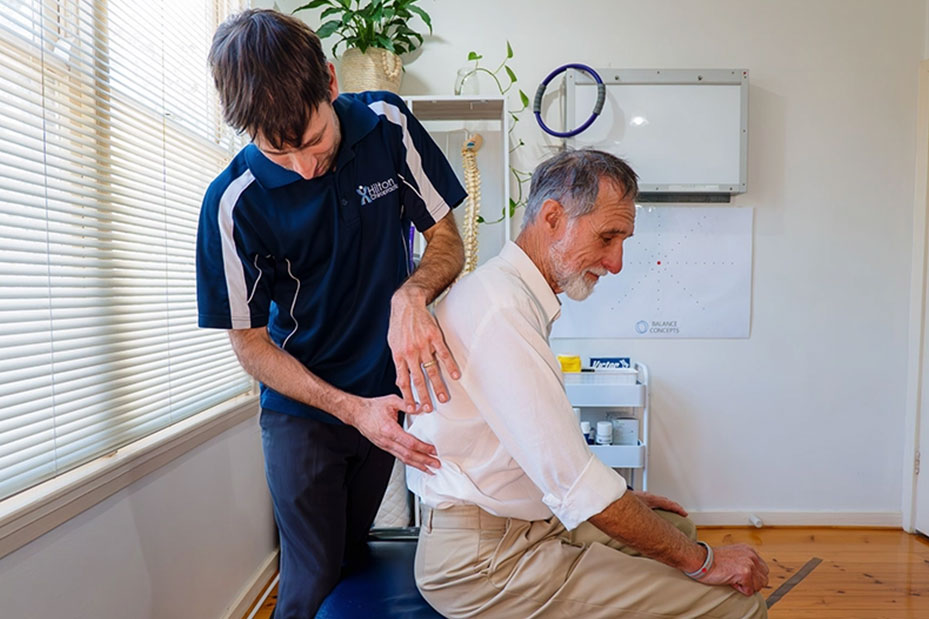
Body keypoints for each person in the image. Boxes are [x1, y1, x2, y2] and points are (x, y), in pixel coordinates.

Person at [406, 149, 769, 618]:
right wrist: (708, 564)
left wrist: (626, 504)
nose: (616, 262)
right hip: (484, 561)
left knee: (677, 528)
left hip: (525, 520)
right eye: (607, 237)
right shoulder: (501, 310)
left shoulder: (512, 295)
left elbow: (543, 461)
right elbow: (577, 486)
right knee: (735, 606)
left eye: (623, 241)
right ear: (552, 217)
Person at [196, 9, 466, 617]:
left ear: (330, 81)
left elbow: (447, 240)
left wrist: (412, 293)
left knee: (353, 561)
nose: (305, 167)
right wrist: (349, 410)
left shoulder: (387, 124)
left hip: (386, 392)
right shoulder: (232, 203)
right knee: (311, 579)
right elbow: (249, 343)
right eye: (279, 152)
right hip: (305, 413)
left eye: (314, 141)